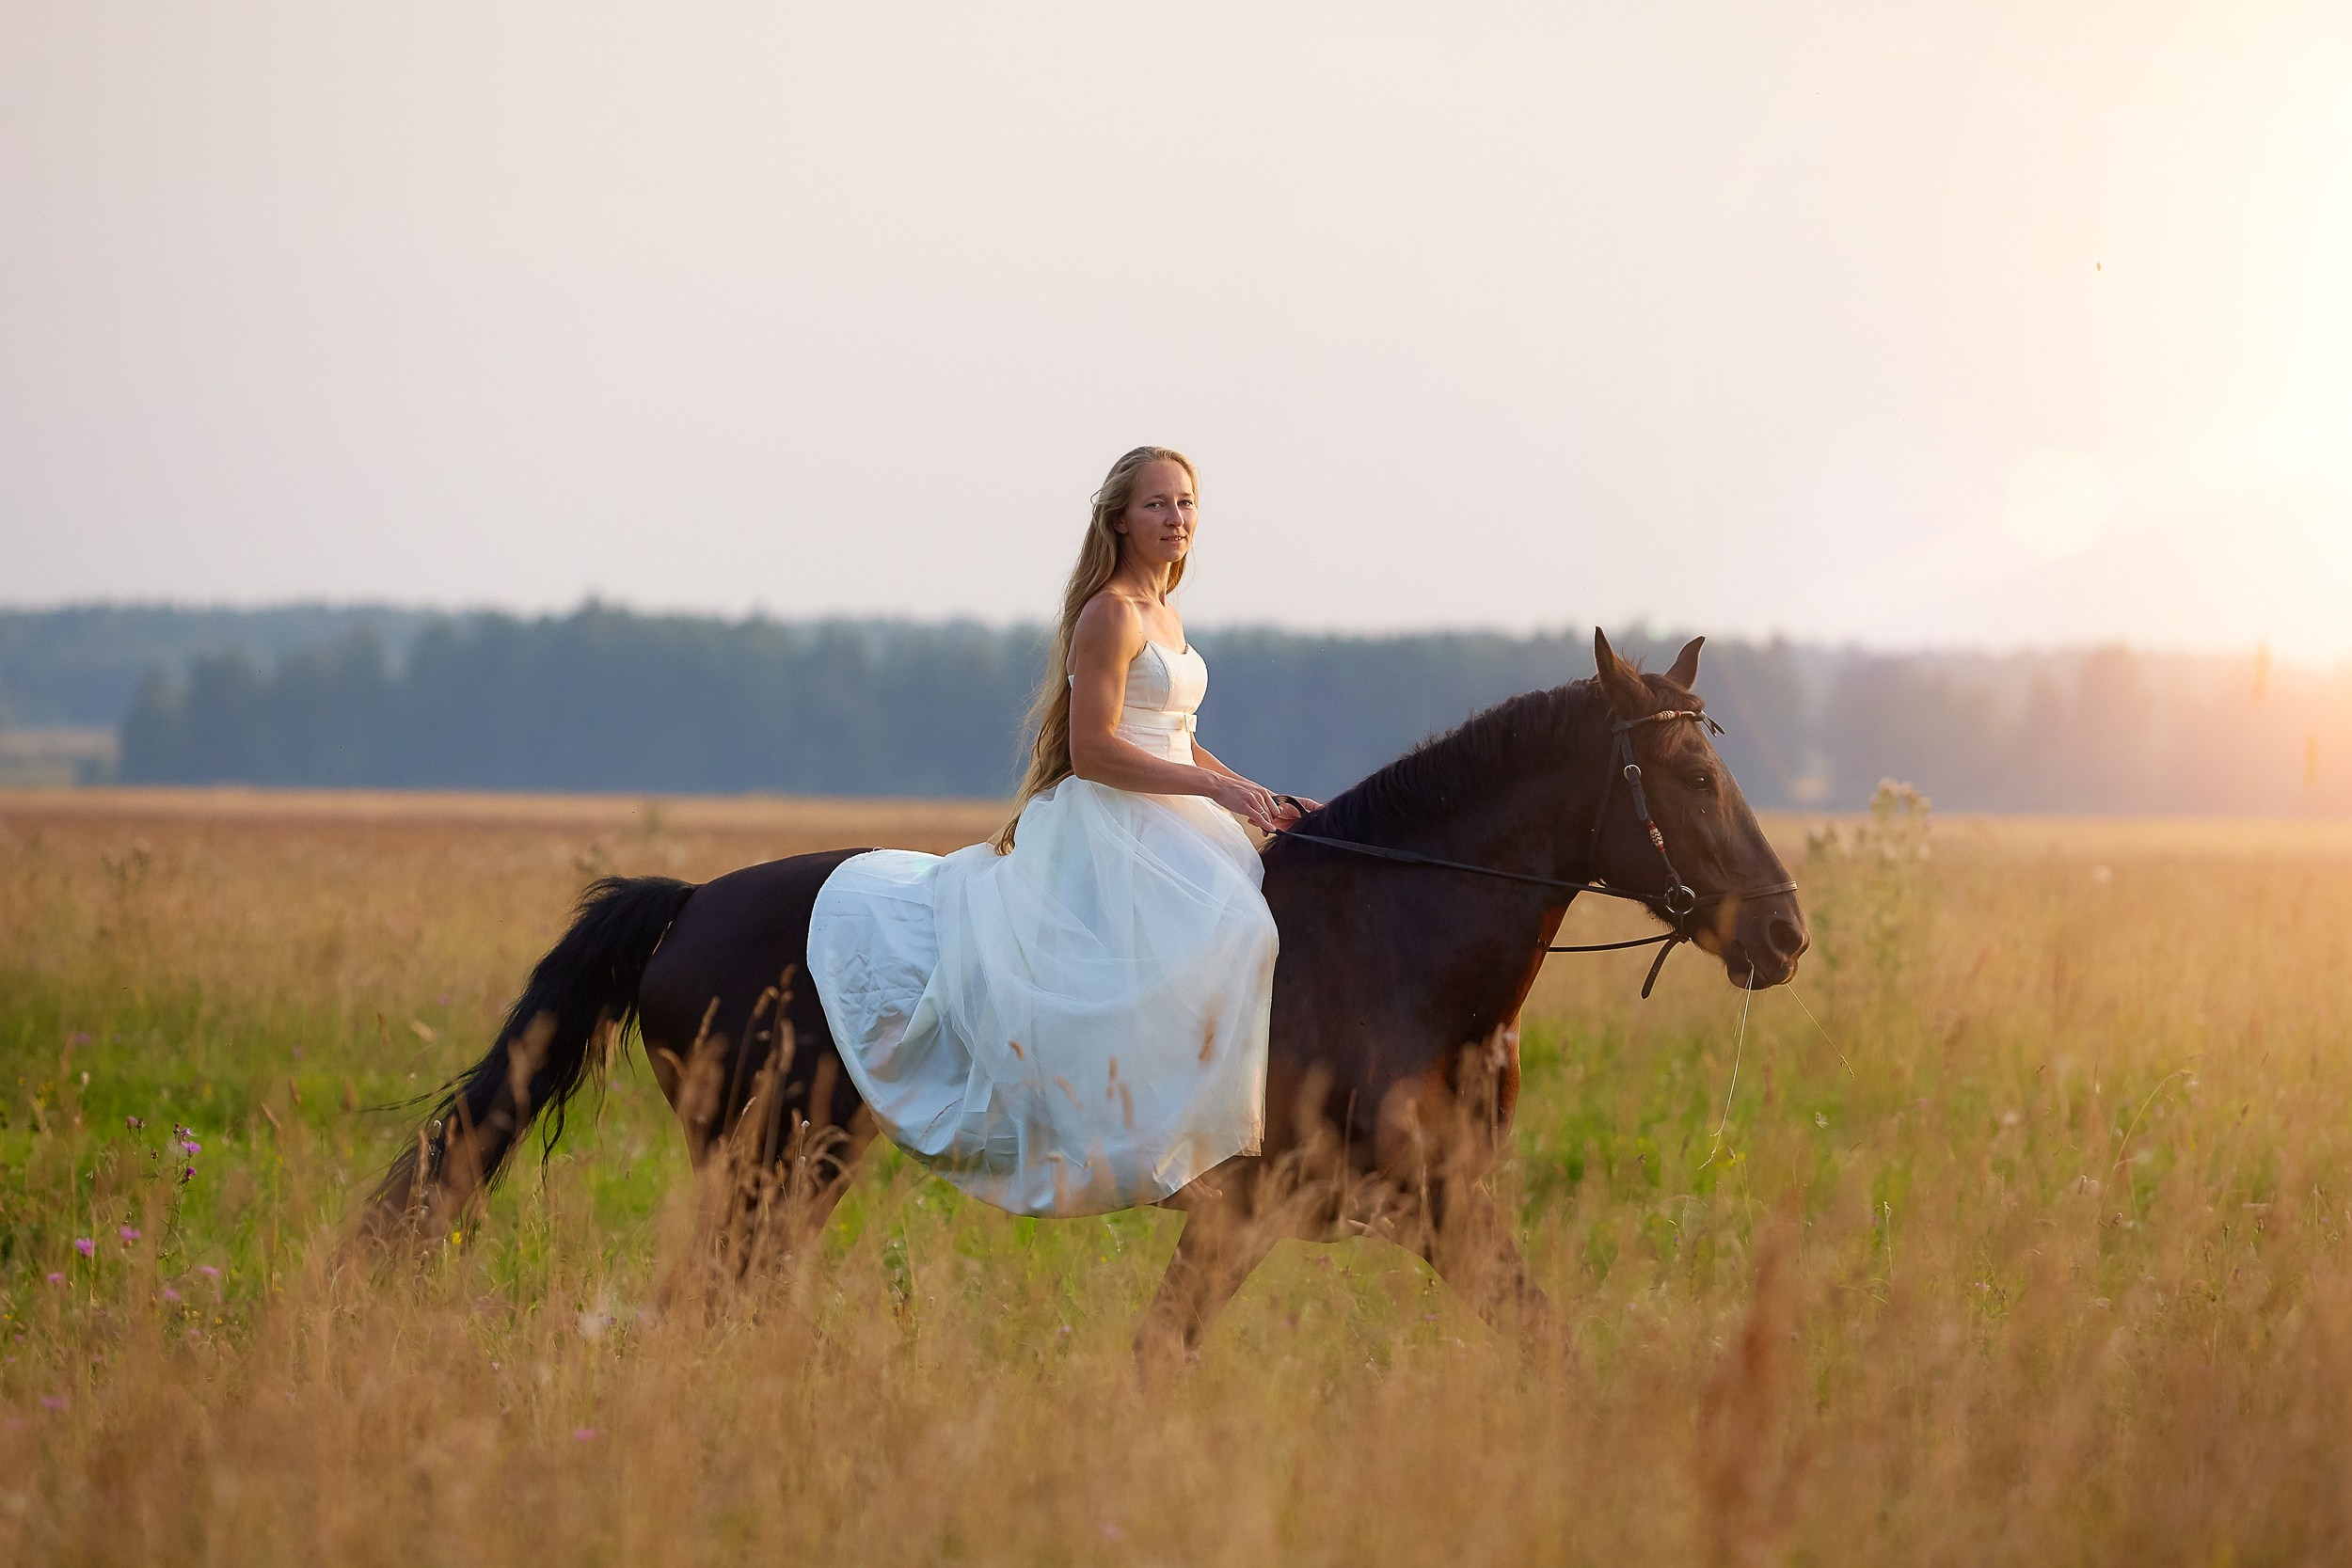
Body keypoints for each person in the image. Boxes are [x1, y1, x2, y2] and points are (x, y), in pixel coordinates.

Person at [805, 447, 1311, 1215]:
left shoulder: (1166, 613)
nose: (1176, 518)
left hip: (1178, 814)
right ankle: (1135, 1136)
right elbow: (1095, 748)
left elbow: (1175, 736)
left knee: (1247, 930)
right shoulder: (1111, 611)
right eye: (1157, 504)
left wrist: (1255, 794)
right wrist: (1212, 787)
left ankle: (1204, 1129)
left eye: (1185, 503)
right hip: (1116, 818)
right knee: (1233, 933)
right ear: (1120, 519)